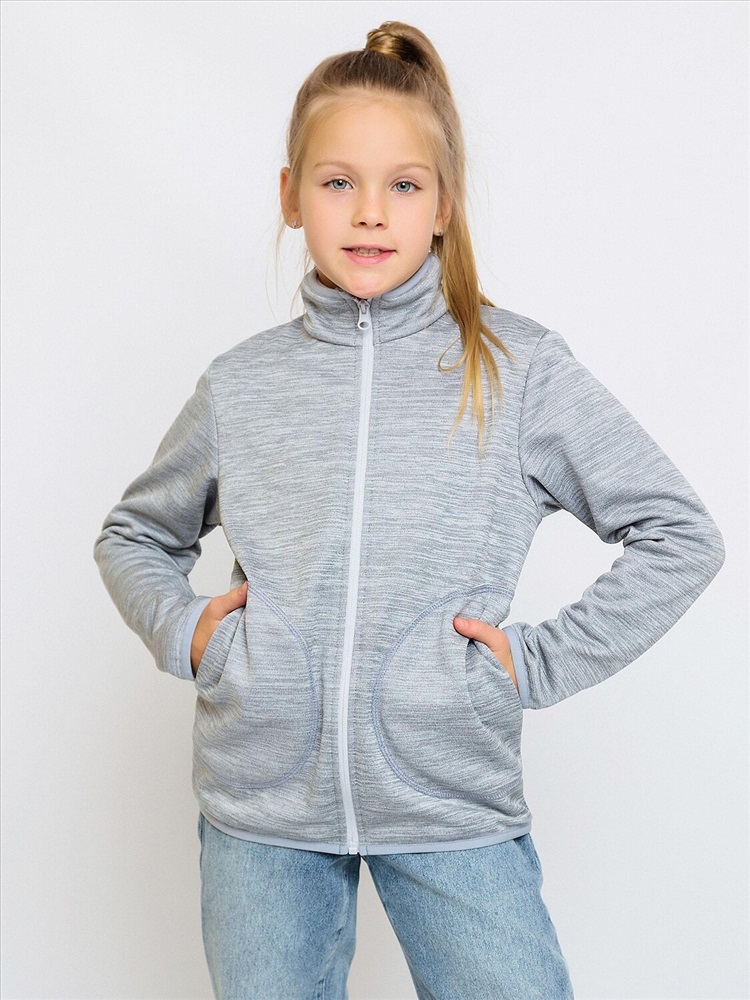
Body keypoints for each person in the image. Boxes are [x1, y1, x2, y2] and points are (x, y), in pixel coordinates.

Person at [93, 20, 726, 1000]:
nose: (369, 212)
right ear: (290, 197)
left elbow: (681, 534)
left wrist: (537, 662)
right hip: (261, 808)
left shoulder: (517, 371)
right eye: (337, 181)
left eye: (403, 184)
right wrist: (192, 637)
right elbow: (135, 533)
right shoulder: (243, 386)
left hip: (450, 798)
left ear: (444, 205)